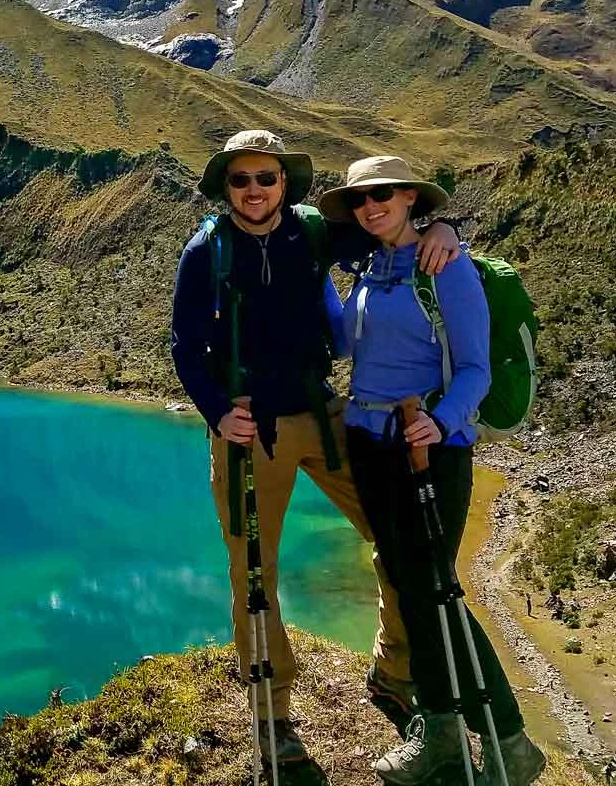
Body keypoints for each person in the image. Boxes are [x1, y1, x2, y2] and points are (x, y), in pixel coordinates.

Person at [170, 130, 463, 765]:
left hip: (327, 417)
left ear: (285, 184)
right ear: (227, 188)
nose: (255, 190)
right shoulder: (206, 252)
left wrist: (445, 228)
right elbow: (185, 350)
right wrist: (219, 414)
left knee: (396, 538)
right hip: (251, 428)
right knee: (255, 571)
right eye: (242, 180)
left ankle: (396, 671)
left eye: (266, 178)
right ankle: (271, 711)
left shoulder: (313, 232)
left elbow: (390, 228)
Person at [320, 154, 546, 786]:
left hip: (428, 451)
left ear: (413, 199)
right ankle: (440, 727)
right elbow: (347, 343)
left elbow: (474, 367)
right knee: (407, 583)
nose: (371, 207)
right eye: (361, 200)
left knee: (435, 591)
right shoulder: (368, 271)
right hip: (370, 445)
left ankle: (508, 736)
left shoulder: (446, 268)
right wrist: (313, 275)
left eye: (384, 194)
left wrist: (442, 421)